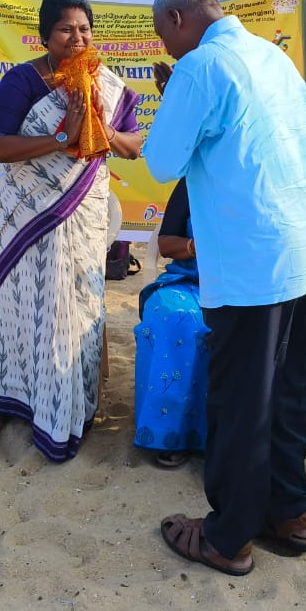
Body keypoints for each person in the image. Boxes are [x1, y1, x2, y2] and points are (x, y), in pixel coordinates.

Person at [144, 0, 306, 578]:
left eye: (163, 38)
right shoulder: (276, 57)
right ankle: (290, 512)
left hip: (254, 258)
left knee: (241, 399)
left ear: (176, 20)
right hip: (302, 247)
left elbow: (160, 160)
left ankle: (227, 536)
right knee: (287, 389)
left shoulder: (200, 67)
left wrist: (176, 98)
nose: (168, 51)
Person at [0, 0, 141, 460]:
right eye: (66, 29)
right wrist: (59, 137)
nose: (77, 37)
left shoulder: (106, 83)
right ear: (46, 35)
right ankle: (5, 403)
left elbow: (134, 144)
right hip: (28, 214)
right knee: (20, 311)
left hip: (81, 217)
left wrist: (100, 131)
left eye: (84, 28)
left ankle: (69, 411)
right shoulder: (23, 80)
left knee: (75, 308)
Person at [133, 179, 207, 468]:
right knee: (174, 319)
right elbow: (165, 244)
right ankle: (172, 433)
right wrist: (198, 246)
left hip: (242, 287)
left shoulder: (257, 180)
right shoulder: (191, 182)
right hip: (188, 282)